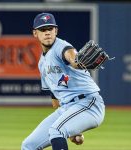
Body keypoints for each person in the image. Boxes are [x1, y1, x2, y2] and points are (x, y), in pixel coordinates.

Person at [21, 12, 105, 150]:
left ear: (56, 31)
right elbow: (55, 100)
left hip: (88, 103)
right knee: (28, 145)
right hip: (67, 109)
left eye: (50, 29)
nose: (47, 32)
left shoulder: (61, 47)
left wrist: (76, 62)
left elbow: (71, 57)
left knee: (56, 131)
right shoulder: (42, 64)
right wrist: (73, 129)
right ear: (35, 33)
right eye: (43, 29)